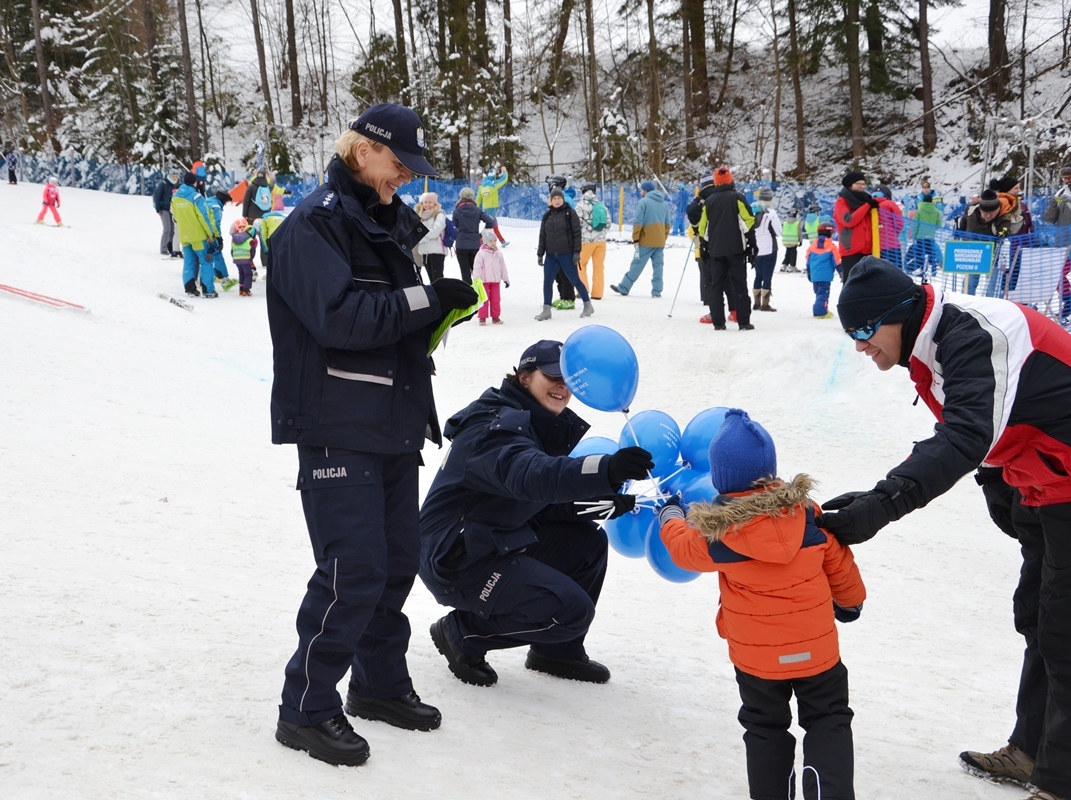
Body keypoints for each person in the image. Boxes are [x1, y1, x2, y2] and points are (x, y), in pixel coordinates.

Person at [267, 103, 479, 768]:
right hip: (336, 422)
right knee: (351, 570)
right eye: (398, 163)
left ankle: (378, 685)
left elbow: (397, 323)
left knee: (393, 564)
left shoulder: (389, 222)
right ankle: (305, 709)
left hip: (394, 420)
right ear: (362, 151)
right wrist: (427, 300)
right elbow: (340, 319)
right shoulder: (313, 225)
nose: (406, 177)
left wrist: (439, 311)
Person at [814, 257, 1071, 800]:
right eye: (851, 335)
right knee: (1037, 616)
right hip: (1045, 483)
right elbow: (991, 420)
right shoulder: (932, 341)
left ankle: (1060, 780)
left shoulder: (972, 333)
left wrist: (881, 504)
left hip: (1063, 480)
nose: (860, 346)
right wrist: (997, 481)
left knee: (1064, 629)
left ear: (898, 314)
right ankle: (1032, 751)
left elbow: (966, 434)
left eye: (864, 331)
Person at [418, 339, 654, 687]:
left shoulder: (532, 422)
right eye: (552, 376)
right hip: (456, 558)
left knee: (587, 544)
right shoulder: (495, 426)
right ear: (525, 376)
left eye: (569, 380)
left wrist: (604, 496)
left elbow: (538, 501)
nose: (562, 387)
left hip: (490, 538)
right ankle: (464, 633)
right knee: (572, 612)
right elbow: (532, 476)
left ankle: (555, 652)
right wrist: (605, 469)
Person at [658, 408, 866, 800]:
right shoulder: (808, 517)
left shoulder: (720, 536)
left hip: (757, 661)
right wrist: (850, 603)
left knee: (765, 728)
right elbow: (838, 561)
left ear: (721, 479)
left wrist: (670, 516)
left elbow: (682, 549)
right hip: (817, 654)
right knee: (828, 719)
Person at [702, 166, 756, 331]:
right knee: (739, 284)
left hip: (716, 251)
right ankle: (744, 322)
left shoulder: (709, 202)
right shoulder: (737, 198)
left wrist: (705, 247)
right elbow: (748, 221)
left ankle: (718, 323)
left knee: (716, 286)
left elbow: (703, 228)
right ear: (730, 181)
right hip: (736, 249)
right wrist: (752, 243)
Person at [688, 171, 738, 325]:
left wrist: (695, 230)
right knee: (728, 279)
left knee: (711, 282)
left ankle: (715, 313)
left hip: (706, 247)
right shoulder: (727, 195)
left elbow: (691, 213)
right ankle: (735, 312)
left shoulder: (700, 200)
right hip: (727, 244)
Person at [535, 187, 593, 320]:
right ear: (551, 200)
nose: (557, 201)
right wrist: (540, 253)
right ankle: (546, 310)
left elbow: (577, 234)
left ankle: (588, 305)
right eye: (554, 198)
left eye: (559, 198)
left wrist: (577, 252)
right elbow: (542, 236)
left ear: (563, 199)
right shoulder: (547, 216)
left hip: (566, 254)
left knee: (575, 280)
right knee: (547, 282)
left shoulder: (570, 214)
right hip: (551, 255)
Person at [610, 180, 673, 297]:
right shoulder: (664, 204)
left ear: (645, 191)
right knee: (658, 267)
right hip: (659, 241)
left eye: (641, 190)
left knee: (637, 264)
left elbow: (638, 222)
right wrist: (663, 238)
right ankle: (657, 291)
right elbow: (668, 224)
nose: (640, 192)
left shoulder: (643, 202)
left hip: (645, 241)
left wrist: (636, 239)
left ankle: (624, 287)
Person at [171, 171, 220, 297]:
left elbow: (175, 216)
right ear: (195, 182)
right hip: (198, 236)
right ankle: (208, 290)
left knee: (188, 261)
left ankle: (190, 288)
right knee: (205, 261)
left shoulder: (175, 197)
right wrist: (210, 234)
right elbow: (204, 217)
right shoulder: (197, 197)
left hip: (184, 236)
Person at [833, 170, 877, 283]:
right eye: (858, 184)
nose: (862, 186)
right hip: (851, 252)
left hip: (868, 251)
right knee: (851, 284)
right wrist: (867, 206)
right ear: (850, 185)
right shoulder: (842, 202)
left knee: (867, 285)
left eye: (863, 184)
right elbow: (848, 220)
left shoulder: (866, 200)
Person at [453, 186, 497, 284]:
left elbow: (454, 226)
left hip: (461, 245)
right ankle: (478, 291)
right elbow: (491, 221)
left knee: (465, 272)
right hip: (475, 244)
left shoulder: (457, 211)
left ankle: (467, 291)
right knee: (476, 271)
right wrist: (481, 234)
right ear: (472, 196)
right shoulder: (477, 210)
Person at [574, 182, 608, 300]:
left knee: (581, 265)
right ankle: (597, 293)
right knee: (599, 267)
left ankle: (583, 290)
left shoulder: (580, 205)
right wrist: (600, 234)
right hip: (601, 241)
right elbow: (608, 224)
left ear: (583, 192)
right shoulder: (601, 205)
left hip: (586, 241)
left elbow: (576, 223)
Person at [750, 188, 782, 311]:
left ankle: (756, 303)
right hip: (770, 248)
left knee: (758, 275)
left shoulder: (753, 211)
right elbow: (778, 232)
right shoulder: (771, 214)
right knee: (767, 276)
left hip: (757, 249)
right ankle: (765, 304)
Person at [472, 228, 509, 325]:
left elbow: (502, 267)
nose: (493, 243)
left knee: (496, 299)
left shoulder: (498, 254)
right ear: (485, 242)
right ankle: (482, 317)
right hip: (484, 281)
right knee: (484, 299)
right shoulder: (481, 253)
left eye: (494, 240)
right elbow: (477, 267)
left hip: (495, 281)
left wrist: (505, 279)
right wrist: (477, 280)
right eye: (490, 241)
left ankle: (495, 317)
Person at [204, 190, 237, 291]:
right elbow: (215, 224)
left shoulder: (207, 201)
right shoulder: (216, 207)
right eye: (226, 201)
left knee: (203, 257)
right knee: (217, 255)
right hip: (211, 235)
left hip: (200, 233)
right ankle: (224, 280)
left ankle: (203, 280)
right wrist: (219, 238)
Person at [806, 222, 840, 318]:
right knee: (823, 294)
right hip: (825, 276)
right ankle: (820, 312)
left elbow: (808, 261)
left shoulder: (812, 247)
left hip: (814, 275)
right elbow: (837, 261)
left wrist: (809, 272)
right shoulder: (832, 247)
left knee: (819, 293)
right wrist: (841, 271)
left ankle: (823, 308)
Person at [906, 191, 943, 278]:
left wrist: (914, 236)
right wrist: (932, 230)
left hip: (920, 237)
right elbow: (939, 225)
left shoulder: (919, 211)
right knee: (931, 254)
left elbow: (915, 225)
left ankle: (922, 270)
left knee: (920, 254)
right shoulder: (936, 212)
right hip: (931, 237)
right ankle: (933, 271)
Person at [415, 191, 448, 283]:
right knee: (431, 280)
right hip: (425, 253)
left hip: (436, 252)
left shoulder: (439, 215)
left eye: (430, 202)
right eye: (425, 202)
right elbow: (415, 233)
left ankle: (441, 293)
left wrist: (421, 235)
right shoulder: (421, 215)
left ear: (435, 203)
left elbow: (435, 232)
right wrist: (423, 234)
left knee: (438, 280)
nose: (427, 205)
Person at [476, 165, 509, 244]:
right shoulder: (494, 184)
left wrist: (477, 210)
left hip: (485, 208)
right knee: (491, 225)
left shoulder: (481, 186)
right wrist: (504, 171)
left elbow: (478, 200)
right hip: (492, 208)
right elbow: (504, 179)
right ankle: (479, 239)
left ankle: (502, 241)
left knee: (493, 225)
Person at [153, 169, 180, 256]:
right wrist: (158, 209)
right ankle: (163, 248)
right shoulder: (164, 184)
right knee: (167, 228)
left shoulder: (177, 185)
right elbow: (157, 196)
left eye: (176, 176)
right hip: (164, 208)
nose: (175, 178)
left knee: (173, 229)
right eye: (173, 176)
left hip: (173, 209)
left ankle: (170, 247)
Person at [229, 217, 258, 297]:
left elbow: (232, 250)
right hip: (246, 259)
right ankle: (246, 290)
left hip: (237, 259)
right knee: (248, 274)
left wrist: (234, 257)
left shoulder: (234, 238)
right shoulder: (249, 239)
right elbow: (252, 251)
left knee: (241, 273)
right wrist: (250, 259)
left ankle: (241, 289)